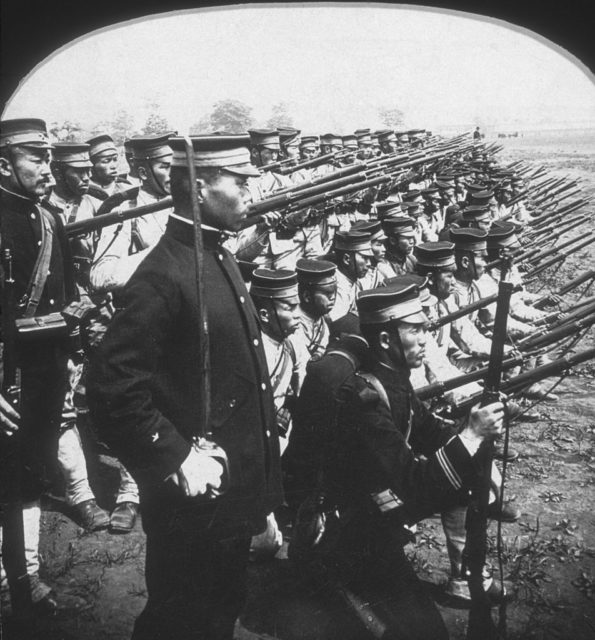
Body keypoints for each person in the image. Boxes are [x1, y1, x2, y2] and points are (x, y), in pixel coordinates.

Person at [87, 134, 283, 640]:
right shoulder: (163, 274)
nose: (249, 194)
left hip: (226, 499)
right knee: (179, 621)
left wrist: (257, 502)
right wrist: (173, 455)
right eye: (239, 183)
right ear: (198, 187)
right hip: (192, 505)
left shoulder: (215, 256)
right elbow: (110, 386)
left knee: (218, 612)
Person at [291, 280, 507, 639]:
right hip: (341, 543)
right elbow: (413, 484)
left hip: (370, 532)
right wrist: (470, 436)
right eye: (416, 330)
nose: (427, 338)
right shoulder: (364, 399)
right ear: (388, 339)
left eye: (426, 327)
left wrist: (475, 426)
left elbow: (426, 428)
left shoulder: (391, 380)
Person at [0, 118, 76, 615]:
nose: (49, 168)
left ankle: (24, 574)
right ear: (4, 163)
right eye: (37, 158)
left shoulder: (49, 219)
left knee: (29, 474)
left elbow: (65, 295)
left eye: (50, 157)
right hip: (5, 379)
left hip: (43, 371)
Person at [295, 258, 337, 359]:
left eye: (334, 292)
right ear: (307, 296)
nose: (333, 297)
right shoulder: (296, 324)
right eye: (327, 293)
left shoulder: (324, 319)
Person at [327, 230, 373, 323]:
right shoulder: (337, 287)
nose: (369, 264)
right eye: (364, 258)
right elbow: (337, 324)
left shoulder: (352, 280)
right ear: (346, 259)